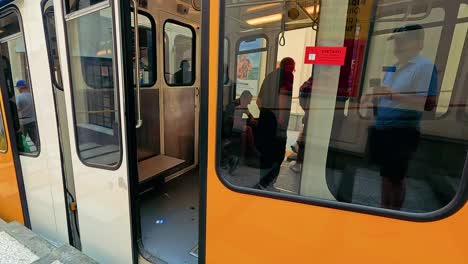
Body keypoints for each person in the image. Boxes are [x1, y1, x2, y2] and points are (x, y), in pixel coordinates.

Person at [363, 25, 438, 210]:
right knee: (385, 175)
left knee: (395, 177)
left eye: (403, 41)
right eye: (396, 41)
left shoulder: (425, 67)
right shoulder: (393, 66)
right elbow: (387, 95)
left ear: (418, 44)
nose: (397, 46)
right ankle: (384, 208)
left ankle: (393, 214)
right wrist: (374, 97)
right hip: (384, 128)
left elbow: (428, 103)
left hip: (402, 131)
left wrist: (390, 95)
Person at [255, 57, 295, 189]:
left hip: (264, 118)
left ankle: (263, 181)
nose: (293, 70)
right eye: (293, 67)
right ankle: (269, 183)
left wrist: (265, 113)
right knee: (277, 153)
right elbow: (283, 95)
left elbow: (258, 101)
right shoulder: (287, 75)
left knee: (265, 152)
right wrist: (281, 118)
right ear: (289, 66)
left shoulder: (270, 76)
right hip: (276, 121)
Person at [290, 76, 313, 173]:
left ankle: (298, 162)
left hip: (310, 113)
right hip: (313, 114)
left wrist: (305, 109)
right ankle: (299, 161)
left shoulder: (310, 83)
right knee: (305, 136)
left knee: (305, 136)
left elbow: (302, 93)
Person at [15, 80, 38, 147]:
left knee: (22, 141)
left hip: (23, 122)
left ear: (20, 87)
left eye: (18, 88)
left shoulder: (18, 97)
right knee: (35, 140)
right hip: (33, 121)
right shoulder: (32, 96)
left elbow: (16, 109)